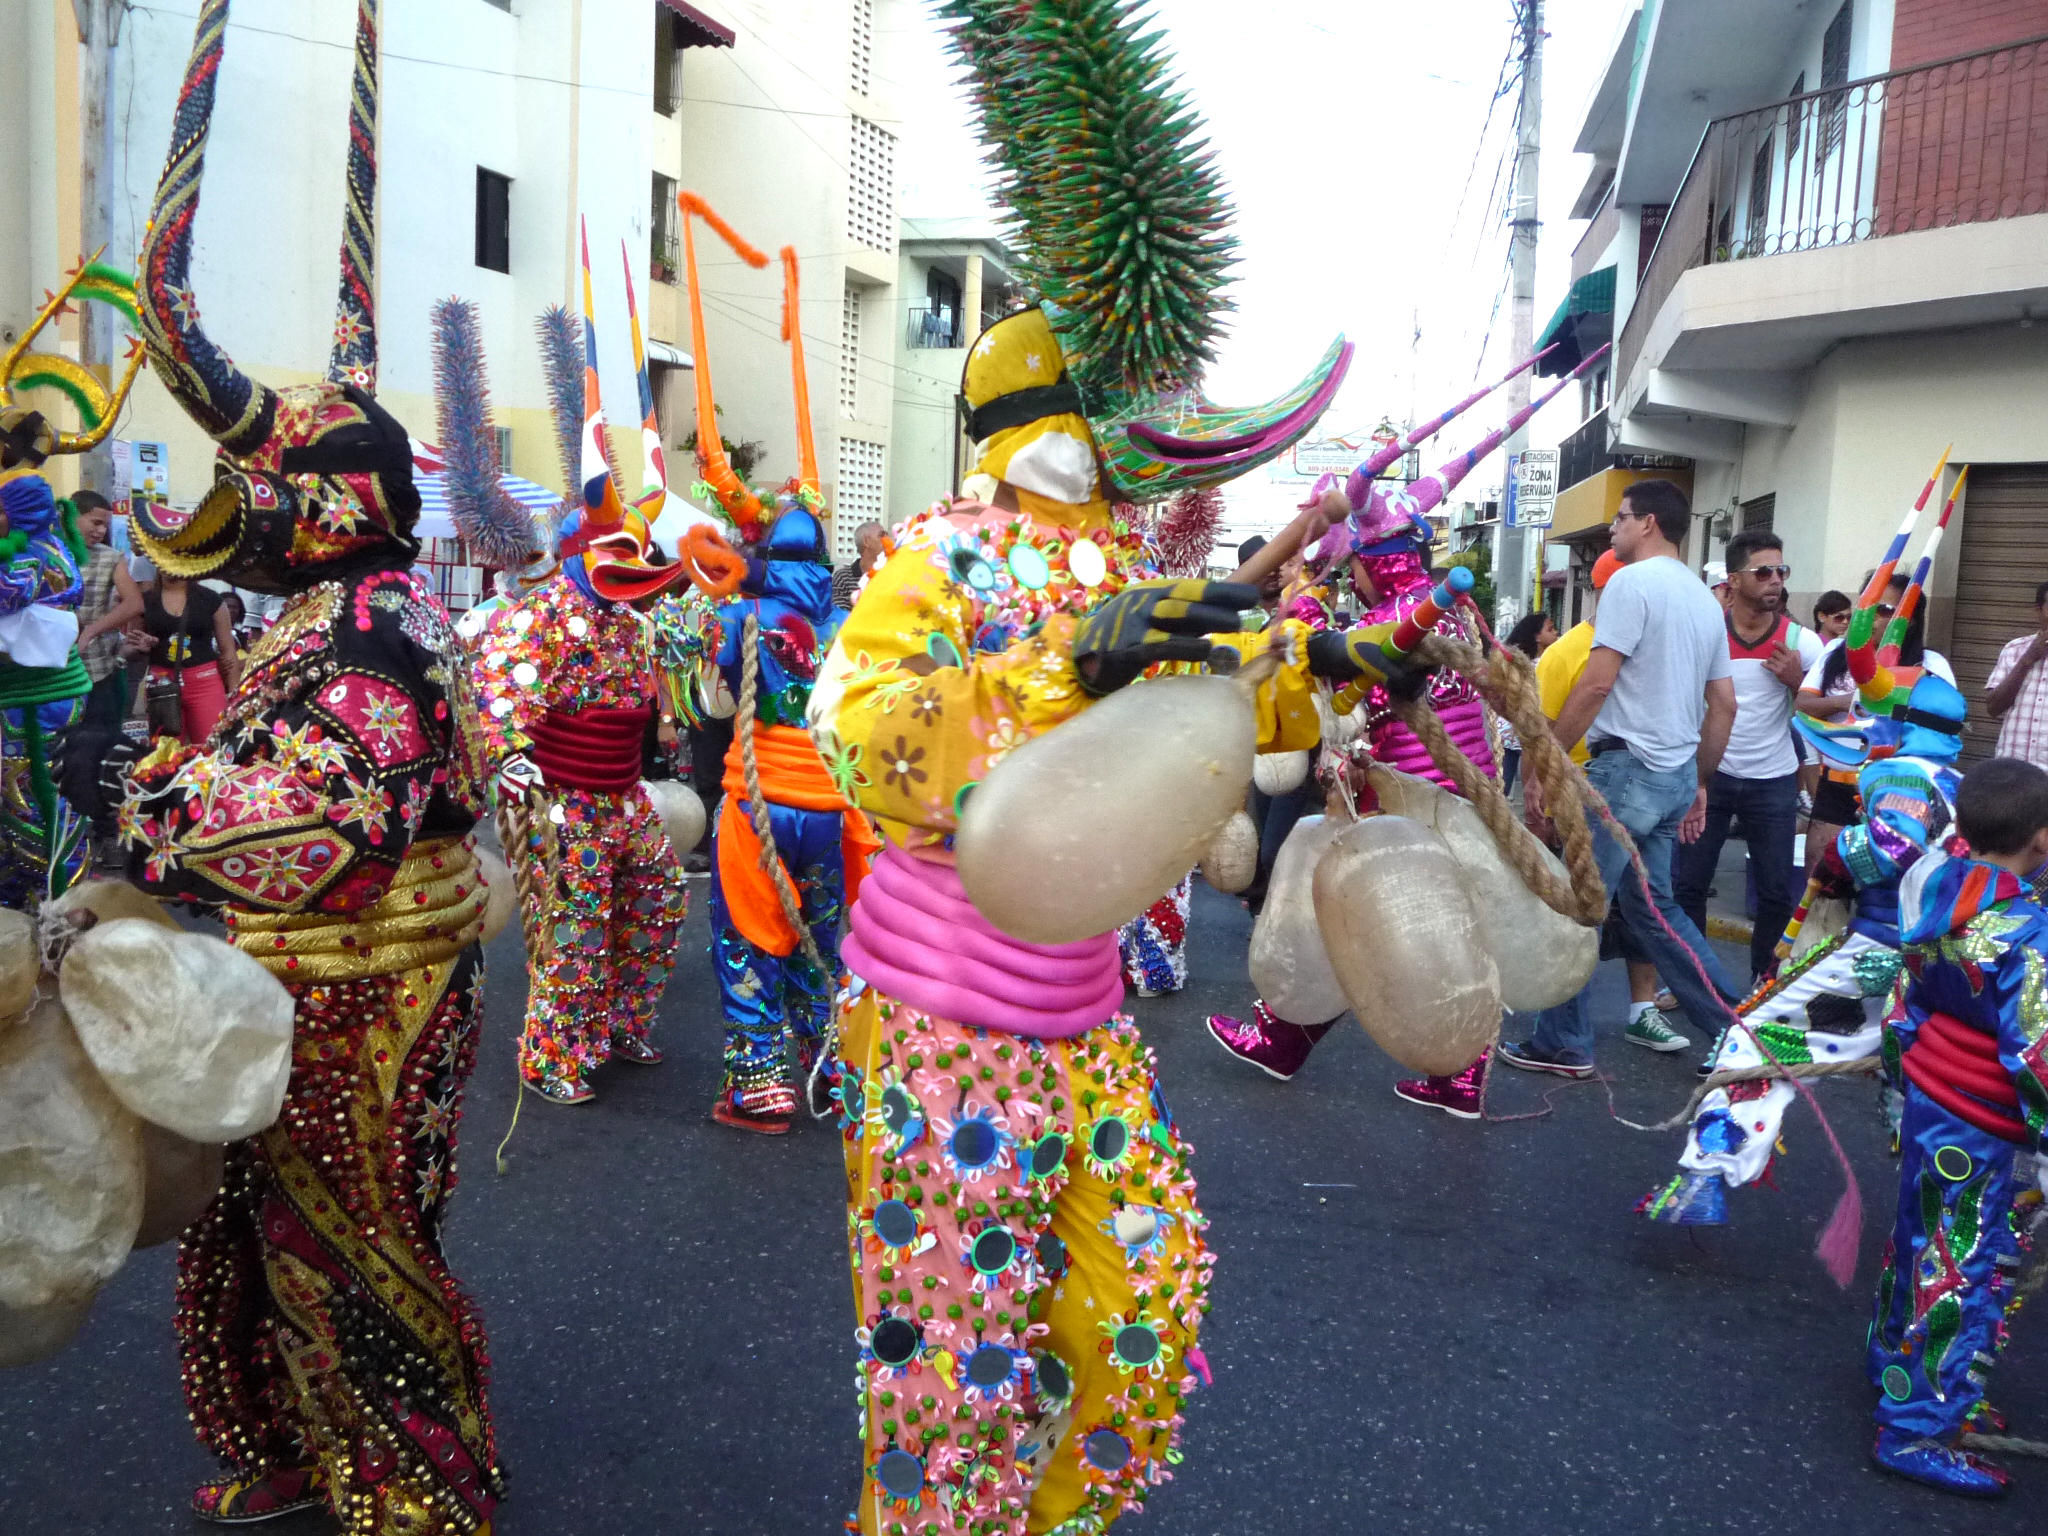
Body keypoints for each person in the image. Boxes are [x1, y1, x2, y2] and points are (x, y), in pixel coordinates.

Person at [119, 6, 501, 1523]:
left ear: (333, 510)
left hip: (370, 978)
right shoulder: (331, 613)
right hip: (300, 975)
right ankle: (299, 1446)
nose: (244, 518)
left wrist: (149, 815)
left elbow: (318, 829)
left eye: (268, 490)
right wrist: (168, 756)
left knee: (356, 1242)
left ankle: (419, 1498)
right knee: (261, 1227)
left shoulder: (383, 630)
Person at [1643, 623, 1965, 1226]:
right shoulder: (1960, 785)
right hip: (1942, 964)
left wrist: (1843, 853)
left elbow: (1891, 849)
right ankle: (1941, 1209)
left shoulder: (1899, 775)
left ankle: (1708, 1177)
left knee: (1758, 1038)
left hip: (1875, 958)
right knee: (1926, 1074)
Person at [1502, 479, 1744, 1076]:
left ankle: (1563, 1043)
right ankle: (1738, 1035)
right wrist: (1700, 782)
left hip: (1626, 773)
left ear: (1650, 524)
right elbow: (1725, 705)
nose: (1613, 528)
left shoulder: (1631, 585)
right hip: (1674, 775)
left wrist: (1550, 758)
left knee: (1576, 905)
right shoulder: (1704, 601)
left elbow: (1597, 683)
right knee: (1655, 910)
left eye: (1621, 518)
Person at [1866, 755, 2048, 1497]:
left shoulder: (1938, 887)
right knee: (1961, 1268)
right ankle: (1915, 1427)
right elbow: (2034, 1054)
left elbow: (1911, 987)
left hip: (1929, 1099)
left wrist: (1897, 1073)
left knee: (1917, 1242)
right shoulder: (2027, 931)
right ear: (2041, 840)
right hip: (1978, 1123)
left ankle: (1896, 1369)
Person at [1534, 547, 1676, 1039]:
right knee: (1586, 911)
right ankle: (1566, 1033)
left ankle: (1642, 1011)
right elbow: (1542, 731)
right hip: (1580, 798)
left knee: (1642, 908)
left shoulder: (1653, 646)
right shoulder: (1565, 654)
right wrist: (1543, 794)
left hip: (1642, 789)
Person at [1673, 529, 1824, 984]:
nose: (1775, 580)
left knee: (1777, 891)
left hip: (1773, 781)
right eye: (1763, 572)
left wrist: (1797, 681)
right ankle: (1694, 980)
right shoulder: (1705, 633)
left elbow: (1824, 719)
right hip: (1708, 779)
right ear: (1734, 580)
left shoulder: (1803, 642)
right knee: (1688, 886)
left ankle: (1766, 979)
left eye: (1781, 571)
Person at [1797, 573, 1954, 870]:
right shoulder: (1835, 652)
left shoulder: (1931, 667)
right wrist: (1849, 702)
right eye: (1867, 606)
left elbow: (1941, 736)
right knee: (1820, 878)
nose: (1870, 617)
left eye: (1883, 610)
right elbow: (1803, 705)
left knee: (1883, 882)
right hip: (1837, 787)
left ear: (1910, 618)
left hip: (1897, 793)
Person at [57, 490, 144, 865]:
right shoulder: (49, 555)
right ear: (71, 516)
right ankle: (61, 830)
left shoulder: (111, 558)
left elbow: (133, 603)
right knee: (60, 754)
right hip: (53, 676)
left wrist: (92, 631)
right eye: (95, 522)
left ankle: (107, 835)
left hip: (98, 672)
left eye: (105, 524)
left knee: (101, 754)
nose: (100, 530)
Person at [140, 573, 240, 745]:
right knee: (164, 755)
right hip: (161, 685)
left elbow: (228, 652)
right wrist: (141, 646)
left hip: (205, 683)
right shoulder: (145, 601)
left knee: (212, 748)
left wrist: (234, 696)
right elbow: (132, 646)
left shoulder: (210, 599)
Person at [1982, 577, 2048, 769]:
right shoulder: (2014, 649)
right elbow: (1993, 708)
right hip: (2010, 772)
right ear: (2038, 611)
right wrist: (2028, 659)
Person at [1496, 609, 1555, 794]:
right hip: (1516, 734)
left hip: (1517, 734)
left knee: (1504, 788)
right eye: (1550, 629)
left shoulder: (1521, 663)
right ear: (1537, 637)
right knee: (1505, 788)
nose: (1556, 633)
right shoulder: (1536, 665)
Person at [832, 517, 884, 610]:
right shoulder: (843, 577)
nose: (889, 539)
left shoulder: (893, 573)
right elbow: (840, 616)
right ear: (866, 541)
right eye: (882, 535)